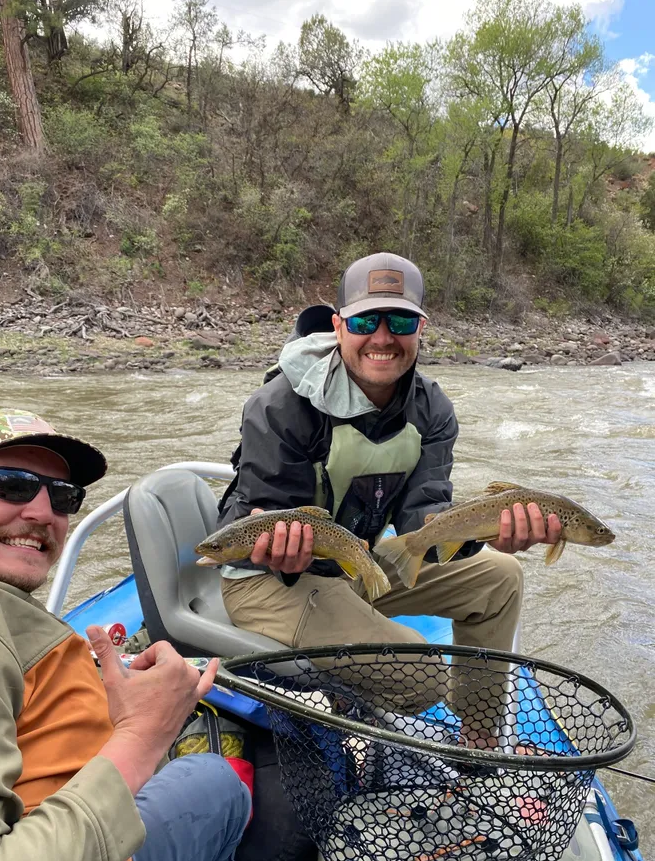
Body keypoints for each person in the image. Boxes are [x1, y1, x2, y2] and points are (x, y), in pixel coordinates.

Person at [0, 409, 250, 861]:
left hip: (54, 857)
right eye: (11, 484)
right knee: (219, 782)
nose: (41, 512)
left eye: (62, 497)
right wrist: (144, 736)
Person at [217, 252, 562, 744]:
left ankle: (478, 745)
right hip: (270, 579)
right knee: (424, 676)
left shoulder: (432, 410)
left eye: (400, 320)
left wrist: (486, 533)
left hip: (358, 563)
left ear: (420, 328)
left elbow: (424, 515)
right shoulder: (280, 406)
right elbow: (269, 520)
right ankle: (346, 695)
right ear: (339, 326)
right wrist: (281, 552)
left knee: (500, 578)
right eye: (364, 320)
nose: (382, 337)